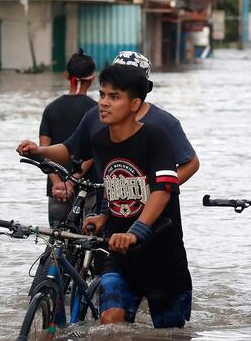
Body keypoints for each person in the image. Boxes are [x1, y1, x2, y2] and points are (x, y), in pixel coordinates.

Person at [18, 65, 192, 328]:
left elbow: (162, 192)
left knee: (169, 332)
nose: (104, 103)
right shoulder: (100, 141)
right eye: (102, 95)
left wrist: (136, 232)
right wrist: (39, 151)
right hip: (118, 254)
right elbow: (78, 157)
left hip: (162, 256)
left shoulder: (156, 137)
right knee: (111, 322)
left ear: (134, 104)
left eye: (114, 97)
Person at [62, 51, 199, 194]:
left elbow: (191, 163)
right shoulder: (96, 116)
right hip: (107, 208)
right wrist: (39, 152)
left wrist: (154, 191)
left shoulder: (164, 123)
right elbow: (75, 150)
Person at [39, 49, 98, 226]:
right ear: (93, 78)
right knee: (88, 244)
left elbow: (44, 151)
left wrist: (59, 183)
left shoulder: (51, 109)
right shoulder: (97, 111)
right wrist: (72, 183)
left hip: (57, 189)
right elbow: (95, 151)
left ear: (66, 75)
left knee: (57, 241)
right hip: (89, 189)